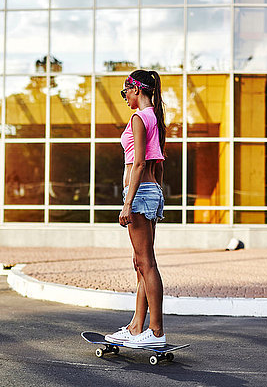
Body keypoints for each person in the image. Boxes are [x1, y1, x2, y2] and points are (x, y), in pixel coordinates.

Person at [105, 70, 167, 348]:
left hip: (140, 193)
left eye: (125, 92)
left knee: (146, 264)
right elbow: (159, 165)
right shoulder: (156, 118)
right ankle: (135, 326)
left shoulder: (139, 118)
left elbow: (139, 163)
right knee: (141, 263)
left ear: (136, 90)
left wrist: (128, 203)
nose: (125, 97)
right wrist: (157, 197)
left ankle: (155, 332)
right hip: (150, 192)